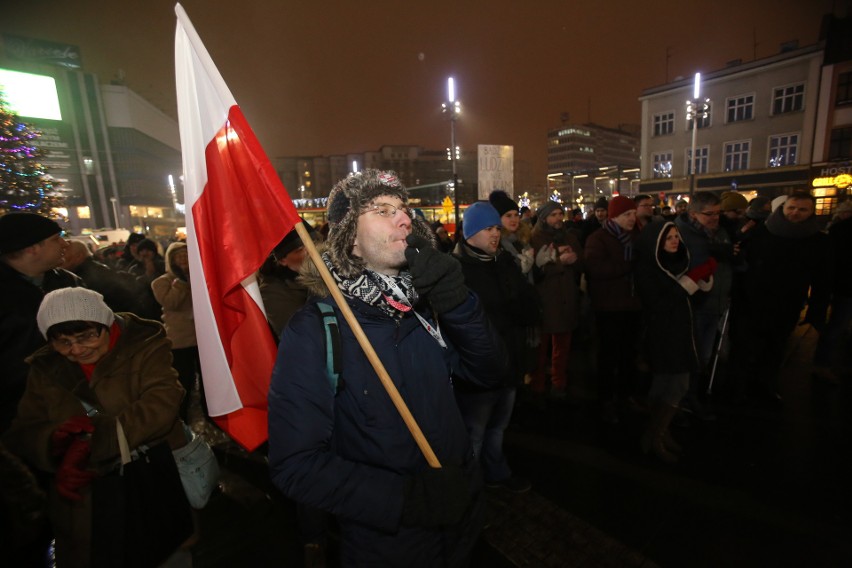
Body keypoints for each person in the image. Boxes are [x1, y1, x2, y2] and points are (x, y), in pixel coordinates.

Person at [267, 169, 504, 567]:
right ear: (351, 241)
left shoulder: (425, 302)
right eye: (381, 209)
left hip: (462, 521)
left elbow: (490, 373)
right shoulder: (315, 329)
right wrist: (406, 500)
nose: (404, 218)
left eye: (403, 208)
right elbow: (295, 465)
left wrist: (460, 304)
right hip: (389, 544)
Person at [3, 288, 189, 567]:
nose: (76, 350)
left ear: (107, 324)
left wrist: (93, 442)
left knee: (161, 552)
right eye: (63, 342)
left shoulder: (143, 345)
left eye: (87, 336)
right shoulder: (45, 368)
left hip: (149, 478)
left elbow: (161, 405)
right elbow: (24, 429)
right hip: (84, 498)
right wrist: (55, 441)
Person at [452, 202, 539, 493]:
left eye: (496, 229)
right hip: (478, 369)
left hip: (509, 359)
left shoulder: (503, 262)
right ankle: (469, 488)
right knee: (473, 433)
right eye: (488, 229)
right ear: (470, 232)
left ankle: (496, 472)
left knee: (498, 426)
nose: (495, 235)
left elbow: (527, 304)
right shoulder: (457, 271)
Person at [731, 191, 832, 401]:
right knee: (745, 346)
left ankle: (765, 386)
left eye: (802, 209)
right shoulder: (761, 232)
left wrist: (816, 309)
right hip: (752, 301)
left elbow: (822, 278)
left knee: (775, 347)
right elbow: (742, 263)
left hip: (788, 302)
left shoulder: (817, 240)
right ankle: (739, 387)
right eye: (792, 208)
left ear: (811, 212)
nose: (795, 213)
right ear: (783, 208)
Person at [634, 221, 716, 463]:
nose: (674, 241)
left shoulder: (680, 261)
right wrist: (689, 281)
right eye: (668, 237)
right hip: (662, 335)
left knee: (673, 385)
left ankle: (657, 434)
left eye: (676, 236)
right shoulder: (647, 268)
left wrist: (702, 281)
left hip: (681, 334)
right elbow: (660, 305)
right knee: (671, 385)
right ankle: (655, 435)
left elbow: (690, 301)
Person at [0, 213, 79, 432]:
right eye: (56, 239)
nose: (65, 243)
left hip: (76, 400)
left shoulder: (67, 281)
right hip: (19, 416)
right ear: (32, 248)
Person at [675, 192, 737, 418]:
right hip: (694, 303)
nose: (714, 218)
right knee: (692, 354)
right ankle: (684, 400)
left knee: (705, 355)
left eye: (717, 213)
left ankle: (692, 394)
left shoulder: (720, 232)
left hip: (716, 301)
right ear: (693, 213)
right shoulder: (681, 234)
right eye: (708, 214)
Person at [584, 196, 642, 424]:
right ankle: (606, 401)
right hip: (608, 306)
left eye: (633, 214)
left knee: (629, 355)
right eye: (627, 215)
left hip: (633, 304)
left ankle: (626, 396)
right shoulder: (598, 238)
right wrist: (627, 266)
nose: (632, 218)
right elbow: (595, 269)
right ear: (614, 217)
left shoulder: (636, 236)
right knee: (609, 356)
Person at [529, 201, 584, 397]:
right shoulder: (535, 238)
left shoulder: (568, 236)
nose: (558, 218)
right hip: (546, 298)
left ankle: (558, 382)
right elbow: (536, 270)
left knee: (562, 345)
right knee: (541, 347)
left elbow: (581, 261)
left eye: (560, 214)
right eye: (553, 215)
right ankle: (538, 385)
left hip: (566, 297)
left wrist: (576, 259)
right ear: (544, 218)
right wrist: (561, 262)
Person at [152, 242, 203, 422]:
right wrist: (181, 283)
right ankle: (183, 420)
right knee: (185, 381)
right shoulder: (161, 282)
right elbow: (171, 303)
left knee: (207, 384)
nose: (183, 259)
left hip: (203, 339)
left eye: (185, 255)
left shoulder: (200, 277)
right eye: (178, 256)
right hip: (181, 341)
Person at [812, 200, 852, 383]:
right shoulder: (841, 230)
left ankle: (826, 364)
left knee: (838, 325)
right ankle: (824, 364)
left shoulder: (837, 230)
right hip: (845, 285)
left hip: (842, 285)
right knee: (838, 325)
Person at [258, 222, 313, 340]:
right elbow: (299, 335)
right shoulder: (272, 292)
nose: (310, 252)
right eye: (299, 249)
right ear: (283, 260)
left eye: (313, 243)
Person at [63, 240, 144, 315]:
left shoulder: (86, 276)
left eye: (64, 255)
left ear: (78, 256)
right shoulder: (94, 270)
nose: (61, 259)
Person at [489, 190, 534, 279]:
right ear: (498, 218)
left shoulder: (523, 239)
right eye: (508, 216)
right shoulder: (495, 243)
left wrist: (540, 265)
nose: (514, 219)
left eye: (516, 215)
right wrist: (522, 272)